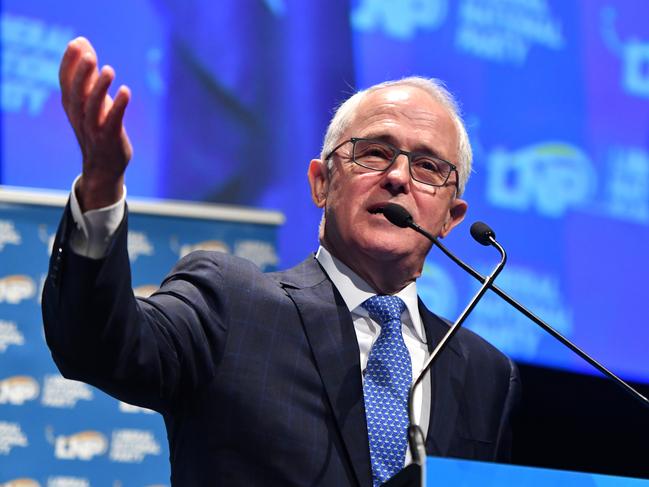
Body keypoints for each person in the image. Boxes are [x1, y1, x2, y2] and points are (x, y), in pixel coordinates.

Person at [43, 37, 520, 486]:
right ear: (321, 184)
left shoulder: (485, 373)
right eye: (375, 153)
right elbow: (98, 343)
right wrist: (101, 190)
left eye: (428, 167)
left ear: (451, 217)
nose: (398, 177)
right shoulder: (230, 304)